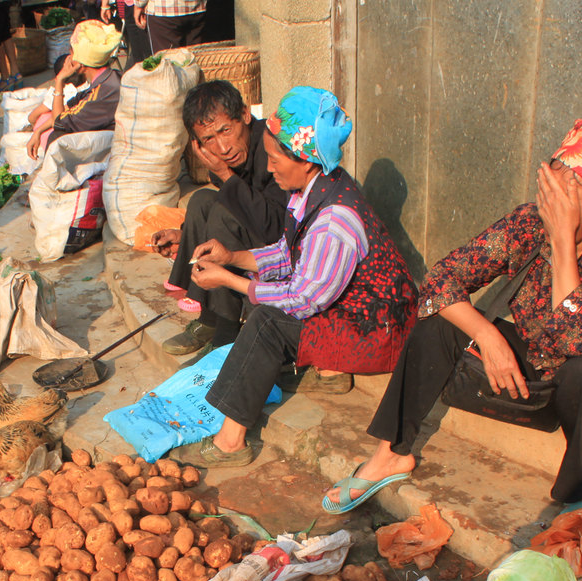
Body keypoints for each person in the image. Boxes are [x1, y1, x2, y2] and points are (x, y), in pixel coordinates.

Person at [322, 119, 582, 515]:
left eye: (569, 195)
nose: (551, 204)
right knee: (438, 324)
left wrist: (561, 242)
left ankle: (578, 491)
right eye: (550, 186)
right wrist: (487, 335)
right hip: (547, 365)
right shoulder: (528, 221)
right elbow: (439, 281)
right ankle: (389, 454)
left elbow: (572, 339)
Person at [173, 86, 419, 469]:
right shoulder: (312, 189)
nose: (268, 168)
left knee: (268, 321)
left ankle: (229, 443)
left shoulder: (334, 219)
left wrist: (231, 280)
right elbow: (287, 254)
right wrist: (232, 257)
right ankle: (323, 369)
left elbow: (302, 300)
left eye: (273, 159)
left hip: (379, 333)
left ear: (304, 160)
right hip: (354, 313)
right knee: (268, 310)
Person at [150, 79, 287, 355]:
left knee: (224, 213)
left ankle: (226, 329)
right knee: (201, 201)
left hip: (281, 245)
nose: (222, 147)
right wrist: (183, 234)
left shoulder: (270, 148)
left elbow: (274, 226)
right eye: (209, 140)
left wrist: (225, 176)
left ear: (245, 116)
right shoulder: (225, 159)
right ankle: (209, 318)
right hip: (254, 228)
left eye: (226, 130)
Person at [24, 19, 121, 161]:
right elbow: (66, 108)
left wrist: (59, 80)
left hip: (112, 147)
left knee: (57, 138)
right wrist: (38, 130)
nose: (69, 56)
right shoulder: (111, 77)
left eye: (71, 51)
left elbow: (59, 121)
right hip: (110, 138)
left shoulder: (101, 94)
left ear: (80, 65)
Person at [132, 0, 204, 53]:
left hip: (164, 12)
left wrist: (139, 4)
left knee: (167, 65)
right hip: (198, 9)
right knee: (196, 60)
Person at [99, 0, 151, 68]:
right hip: (129, 6)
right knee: (138, 55)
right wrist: (105, 5)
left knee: (148, 55)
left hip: (145, 7)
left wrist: (140, 6)